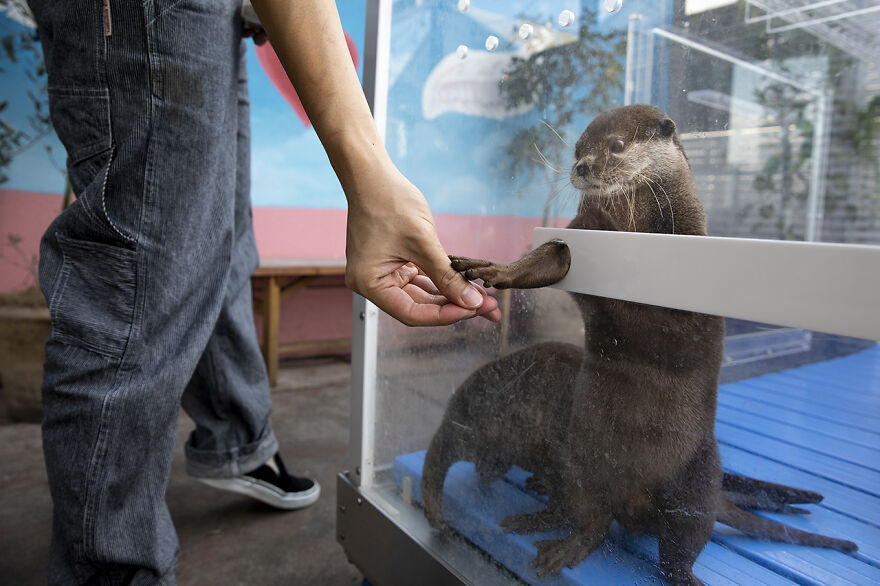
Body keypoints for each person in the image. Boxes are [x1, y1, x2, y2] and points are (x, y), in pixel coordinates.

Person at [28, 0, 500, 583]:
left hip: (220, 16)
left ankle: (238, 440)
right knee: (135, 280)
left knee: (215, 238)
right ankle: (109, 571)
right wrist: (370, 178)